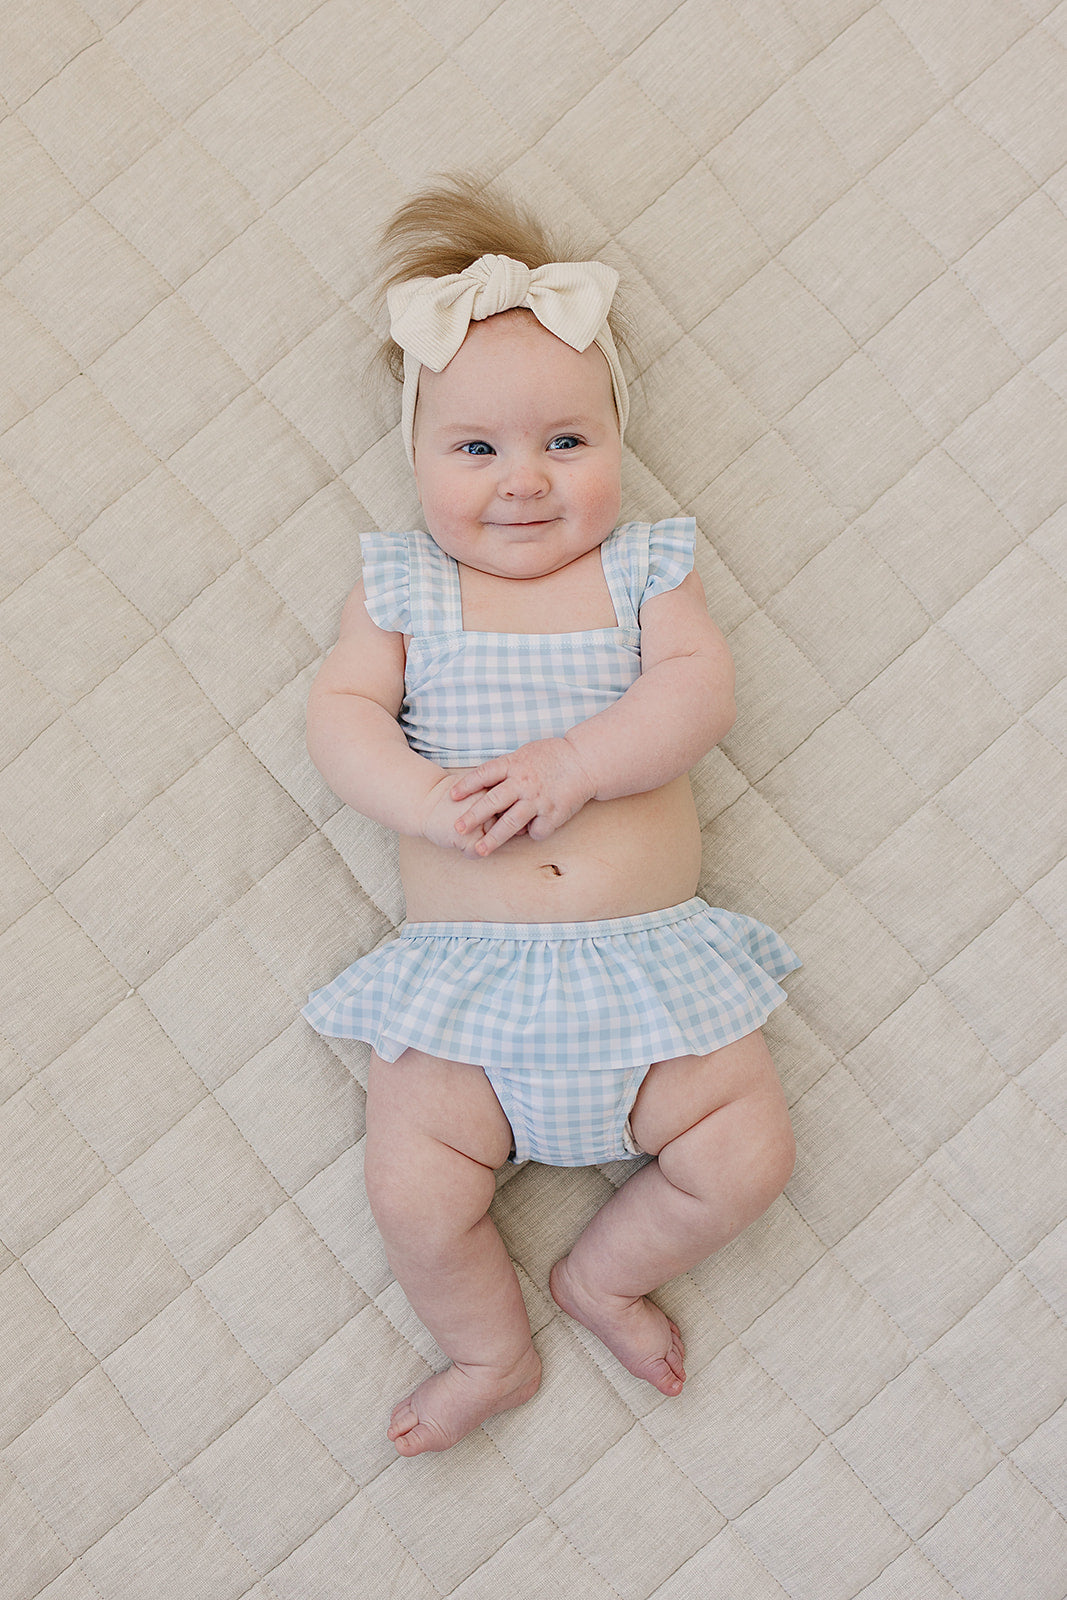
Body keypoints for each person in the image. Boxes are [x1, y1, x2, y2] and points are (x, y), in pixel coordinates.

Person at [302, 175, 800, 1457]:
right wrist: (417, 792)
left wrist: (580, 761)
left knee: (744, 1151)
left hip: (649, 979)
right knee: (412, 1191)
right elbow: (342, 715)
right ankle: (488, 1348)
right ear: (416, 457)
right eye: (474, 449)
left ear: (616, 444)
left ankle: (602, 1276)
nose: (522, 480)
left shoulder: (645, 569)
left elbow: (698, 692)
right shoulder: (402, 587)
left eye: (565, 443)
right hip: (467, 992)